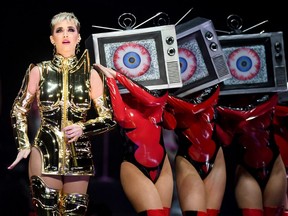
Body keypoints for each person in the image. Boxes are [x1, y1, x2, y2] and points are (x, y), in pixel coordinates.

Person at [8, 12, 116, 215]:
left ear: (78, 37)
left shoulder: (91, 74)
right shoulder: (39, 71)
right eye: (59, 30)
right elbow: (19, 109)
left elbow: (108, 118)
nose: (65, 34)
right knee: (47, 210)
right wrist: (22, 143)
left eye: (70, 30)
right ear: (52, 39)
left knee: (74, 212)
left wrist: (83, 127)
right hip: (45, 149)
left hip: (80, 153)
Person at [94, 64, 174, 216]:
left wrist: (118, 77)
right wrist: (111, 79)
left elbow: (152, 100)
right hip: (135, 167)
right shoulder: (123, 101)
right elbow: (119, 116)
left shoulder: (157, 101)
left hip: (163, 167)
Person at [215, 93, 287, 216]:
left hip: (274, 169)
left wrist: (225, 110)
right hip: (247, 172)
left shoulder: (270, 97)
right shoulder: (224, 104)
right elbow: (226, 141)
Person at [163, 85, 226, 216]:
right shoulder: (167, 98)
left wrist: (163, 97)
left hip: (216, 161)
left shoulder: (213, 87)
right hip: (189, 161)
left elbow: (195, 107)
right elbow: (171, 123)